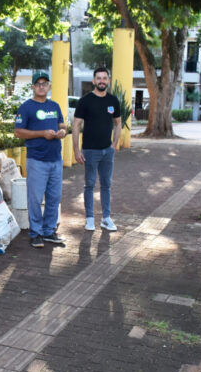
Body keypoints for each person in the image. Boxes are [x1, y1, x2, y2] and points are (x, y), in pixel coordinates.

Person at [14, 71, 67, 248]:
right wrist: (42, 134)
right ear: (33, 87)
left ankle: (49, 231)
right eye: (38, 84)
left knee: (54, 198)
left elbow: (62, 124)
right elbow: (18, 131)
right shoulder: (26, 107)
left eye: (45, 83)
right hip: (37, 160)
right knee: (35, 198)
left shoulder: (54, 106)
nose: (42, 86)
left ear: (49, 86)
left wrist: (62, 132)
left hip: (55, 160)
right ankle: (35, 233)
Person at [72, 67, 122, 232]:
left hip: (107, 151)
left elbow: (118, 123)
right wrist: (76, 150)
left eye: (104, 78)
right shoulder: (85, 101)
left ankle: (106, 218)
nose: (101, 81)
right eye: (98, 78)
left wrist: (114, 144)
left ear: (108, 80)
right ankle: (90, 219)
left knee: (106, 185)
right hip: (90, 151)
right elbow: (76, 125)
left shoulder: (113, 101)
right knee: (90, 185)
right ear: (93, 81)